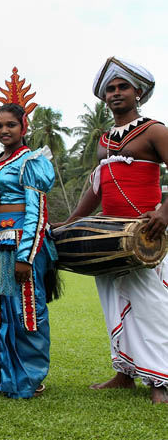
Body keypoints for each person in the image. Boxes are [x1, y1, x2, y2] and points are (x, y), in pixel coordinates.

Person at [61, 57, 168, 404]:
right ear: (104, 97)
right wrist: (72, 221)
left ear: (139, 92)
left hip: (146, 235)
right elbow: (97, 186)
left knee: (152, 308)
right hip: (110, 236)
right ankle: (124, 374)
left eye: (123, 87)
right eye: (111, 88)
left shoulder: (154, 130)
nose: (116, 93)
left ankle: (160, 382)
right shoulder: (104, 139)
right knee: (114, 303)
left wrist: (165, 211)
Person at [0, 69, 58, 399]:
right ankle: (6, 375)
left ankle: (31, 377)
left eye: (10, 125)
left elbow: (36, 210)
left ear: (24, 127)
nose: (4, 130)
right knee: (4, 310)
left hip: (23, 245)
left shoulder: (32, 160)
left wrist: (26, 256)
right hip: (0, 245)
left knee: (28, 311)